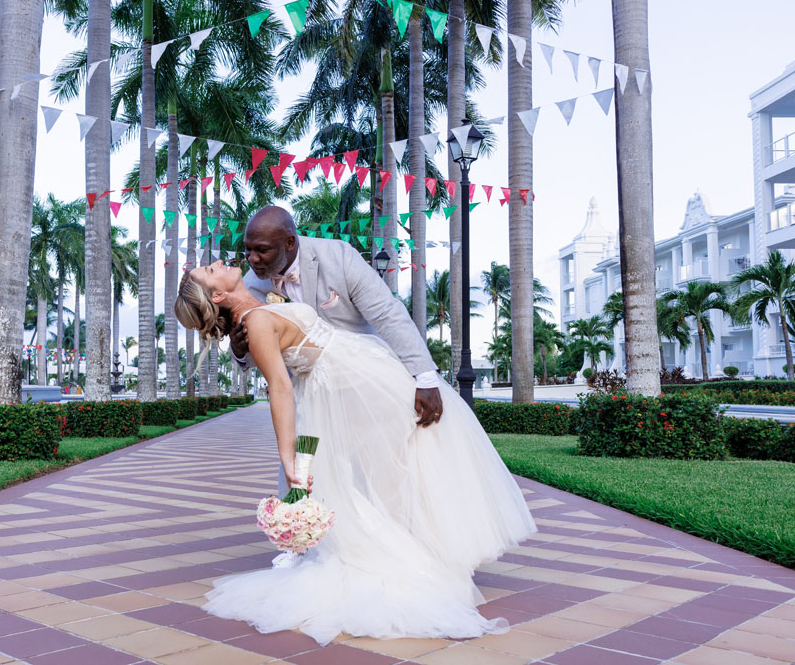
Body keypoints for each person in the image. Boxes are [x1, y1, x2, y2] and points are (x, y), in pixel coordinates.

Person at [175, 260, 536, 645]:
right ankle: (417, 561)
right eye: (210, 271)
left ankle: (431, 554)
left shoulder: (262, 305)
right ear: (217, 294)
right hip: (358, 388)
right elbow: (278, 388)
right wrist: (289, 459)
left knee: (410, 463)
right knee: (399, 468)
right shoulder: (258, 322)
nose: (217, 263)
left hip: (368, 373)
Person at [231, 206, 443, 428]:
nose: (252, 259)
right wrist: (240, 350)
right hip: (306, 400)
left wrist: (424, 377)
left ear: (290, 243)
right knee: (305, 462)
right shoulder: (252, 284)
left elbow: (386, 313)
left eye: (261, 250)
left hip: (363, 383)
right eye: (247, 249)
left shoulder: (340, 257)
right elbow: (263, 353)